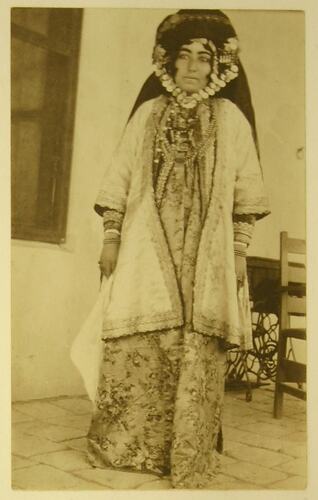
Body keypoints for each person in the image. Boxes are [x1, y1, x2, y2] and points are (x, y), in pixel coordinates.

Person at [87, 9, 270, 489]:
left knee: (195, 341)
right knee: (141, 337)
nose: (191, 66)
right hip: (149, 247)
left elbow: (245, 194)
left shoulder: (230, 119)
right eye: (183, 55)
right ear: (168, 62)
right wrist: (111, 237)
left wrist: (237, 252)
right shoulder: (148, 114)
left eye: (202, 57)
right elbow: (121, 179)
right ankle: (129, 449)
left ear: (217, 66)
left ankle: (185, 454)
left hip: (205, 255)